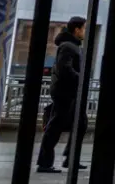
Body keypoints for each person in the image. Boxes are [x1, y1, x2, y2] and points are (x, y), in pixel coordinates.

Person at [36, 17, 88, 173]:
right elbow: (64, 68)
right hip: (65, 93)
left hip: (70, 92)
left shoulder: (72, 46)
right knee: (55, 127)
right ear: (77, 30)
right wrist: (81, 78)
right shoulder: (68, 46)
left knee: (81, 125)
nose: (85, 31)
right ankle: (44, 163)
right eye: (84, 28)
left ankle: (71, 159)